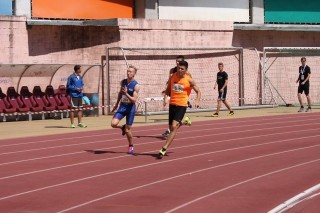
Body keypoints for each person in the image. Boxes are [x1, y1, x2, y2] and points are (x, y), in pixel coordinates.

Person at [157, 60, 201, 159]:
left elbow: (198, 91)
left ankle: (164, 148)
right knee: (171, 127)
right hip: (172, 104)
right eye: (178, 68)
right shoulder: (173, 76)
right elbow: (168, 88)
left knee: (173, 127)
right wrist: (165, 98)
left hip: (182, 105)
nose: (180, 70)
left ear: (186, 70)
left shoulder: (189, 80)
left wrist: (197, 101)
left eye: (182, 69)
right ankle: (185, 121)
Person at [111, 65, 140, 154]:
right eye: (128, 71)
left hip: (130, 108)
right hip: (122, 107)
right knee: (113, 124)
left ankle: (131, 145)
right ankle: (122, 127)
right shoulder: (123, 82)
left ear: (134, 74)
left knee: (128, 130)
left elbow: (134, 100)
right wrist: (116, 105)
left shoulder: (136, 85)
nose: (128, 73)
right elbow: (120, 93)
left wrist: (127, 94)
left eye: (130, 72)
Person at [162, 55, 192, 138]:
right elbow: (169, 82)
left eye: (179, 61)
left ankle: (170, 132)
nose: (177, 63)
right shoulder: (172, 71)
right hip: (173, 95)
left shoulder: (187, 74)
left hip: (181, 98)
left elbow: (189, 85)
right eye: (176, 61)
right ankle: (183, 122)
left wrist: (187, 98)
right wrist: (165, 95)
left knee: (174, 125)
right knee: (171, 123)